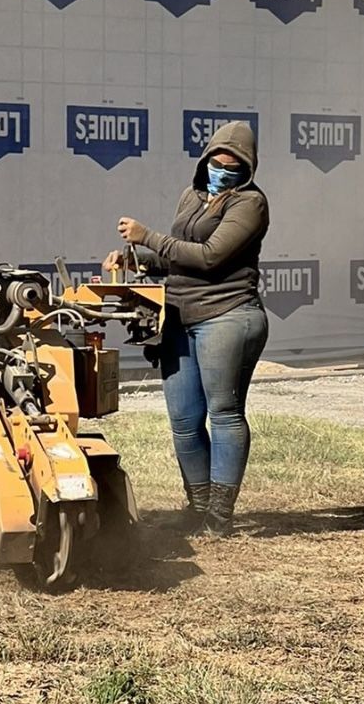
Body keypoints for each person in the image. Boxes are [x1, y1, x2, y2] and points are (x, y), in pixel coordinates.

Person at [104, 120, 269, 537]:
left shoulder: (250, 203)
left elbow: (212, 257)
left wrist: (149, 237)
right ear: (205, 160)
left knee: (225, 414)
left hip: (228, 314)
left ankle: (219, 515)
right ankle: (196, 508)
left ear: (247, 168)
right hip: (179, 315)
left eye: (234, 165)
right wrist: (137, 261)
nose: (224, 170)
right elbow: (180, 258)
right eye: (218, 162)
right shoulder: (191, 196)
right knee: (184, 419)